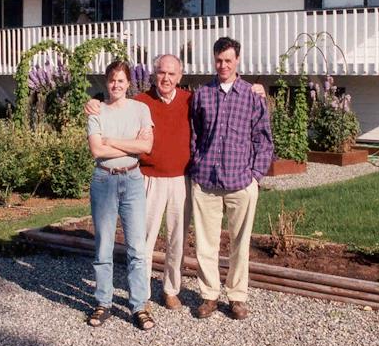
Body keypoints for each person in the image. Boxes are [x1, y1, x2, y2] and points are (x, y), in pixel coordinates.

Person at [85, 55, 266, 312]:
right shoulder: (141, 102)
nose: (166, 78)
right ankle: (143, 294)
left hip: (181, 179)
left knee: (177, 240)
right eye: (161, 73)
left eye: (172, 74)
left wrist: (257, 89)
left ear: (180, 76)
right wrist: (93, 101)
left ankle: (171, 289)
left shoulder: (190, 99)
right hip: (148, 179)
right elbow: (116, 103)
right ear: (154, 74)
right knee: (143, 239)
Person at [189, 36, 274, 320]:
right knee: (206, 244)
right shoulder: (202, 94)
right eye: (218, 60)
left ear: (237, 60)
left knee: (240, 244)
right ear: (213, 60)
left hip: (241, 182)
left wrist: (255, 176)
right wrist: (197, 164)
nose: (223, 65)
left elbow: (263, 140)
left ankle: (237, 297)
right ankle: (209, 295)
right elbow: (194, 134)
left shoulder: (252, 95)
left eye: (228, 60)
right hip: (206, 181)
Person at [86, 60, 155, 330]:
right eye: (112, 80)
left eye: (121, 80)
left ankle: (139, 306)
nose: (116, 85)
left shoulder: (141, 109)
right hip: (104, 179)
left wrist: (111, 141)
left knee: (137, 247)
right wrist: (131, 145)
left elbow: (146, 146)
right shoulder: (96, 110)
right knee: (103, 245)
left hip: (133, 180)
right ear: (107, 82)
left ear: (128, 83)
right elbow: (97, 150)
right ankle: (103, 302)